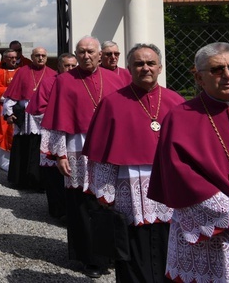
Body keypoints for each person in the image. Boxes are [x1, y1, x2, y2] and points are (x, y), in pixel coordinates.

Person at [84, 43, 184, 282]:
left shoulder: (177, 102)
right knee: (132, 251)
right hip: (128, 190)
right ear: (129, 68)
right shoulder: (112, 103)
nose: (145, 68)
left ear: (160, 67)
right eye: (139, 64)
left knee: (169, 245)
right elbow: (101, 156)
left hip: (168, 191)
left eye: (150, 63)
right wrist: (104, 194)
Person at [148, 42, 229, 282]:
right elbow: (179, 174)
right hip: (205, 231)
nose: (228, 75)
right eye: (217, 70)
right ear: (200, 78)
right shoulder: (181, 116)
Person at [40, 36, 127, 279]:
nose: (86, 56)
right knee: (81, 203)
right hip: (77, 148)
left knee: (108, 199)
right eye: (81, 52)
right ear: (75, 55)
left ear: (100, 54)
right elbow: (57, 120)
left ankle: (110, 251)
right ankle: (89, 257)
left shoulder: (115, 79)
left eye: (91, 51)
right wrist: (59, 155)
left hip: (109, 149)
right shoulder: (65, 81)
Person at [3, 47, 56, 189]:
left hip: (45, 116)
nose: (40, 58)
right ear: (31, 57)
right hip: (26, 117)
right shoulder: (22, 72)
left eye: (43, 55)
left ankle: (40, 181)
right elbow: (11, 95)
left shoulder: (53, 74)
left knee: (41, 147)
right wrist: (8, 113)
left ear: (47, 57)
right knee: (24, 146)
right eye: (37, 55)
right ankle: (21, 180)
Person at [34, 53, 77, 219]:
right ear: (59, 67)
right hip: (53, 134)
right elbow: (39, 110)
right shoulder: (48, 83)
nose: (71, 69)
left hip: (74, 136)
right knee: (53, 175)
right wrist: (61, 118)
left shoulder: (80, 83)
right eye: (67, 66)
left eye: (74, 66)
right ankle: (57, 210)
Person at [0, 49, 20, 171]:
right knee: (4, 132)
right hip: (3, 109)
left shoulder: (21, 72)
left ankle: (18, 160)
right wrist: (11, 92)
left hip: (19, 109)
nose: (14, 60)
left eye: (15, 57)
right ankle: (4, 162)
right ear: (5, 59)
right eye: (10, 57)